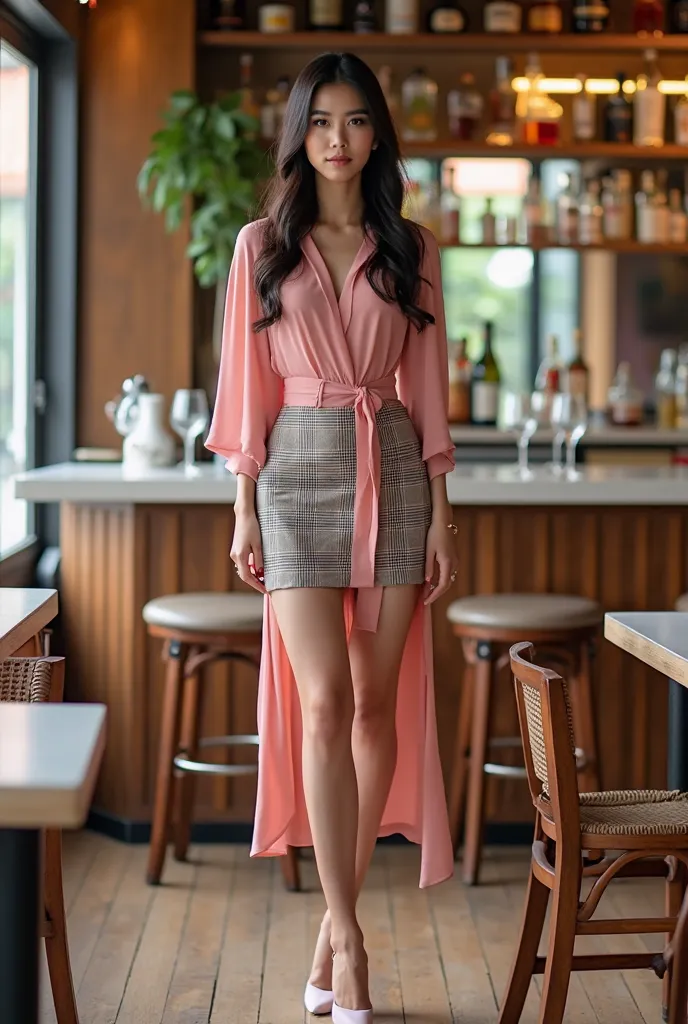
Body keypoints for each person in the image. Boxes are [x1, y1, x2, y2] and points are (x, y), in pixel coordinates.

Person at [205, 51, 459, 1024]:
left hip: (391, 467)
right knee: (322, 703)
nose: (339, 140)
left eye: (356, 122)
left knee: (373, 708)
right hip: (296, 476)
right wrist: (241, 502)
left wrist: (442, 508)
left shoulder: (413, 247)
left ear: (376, 135)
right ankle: (350, 936)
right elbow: (244, 387)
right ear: (299, 134)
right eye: (322, 122)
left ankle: (331, 928)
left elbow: (428, 391)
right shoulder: (259, 246)